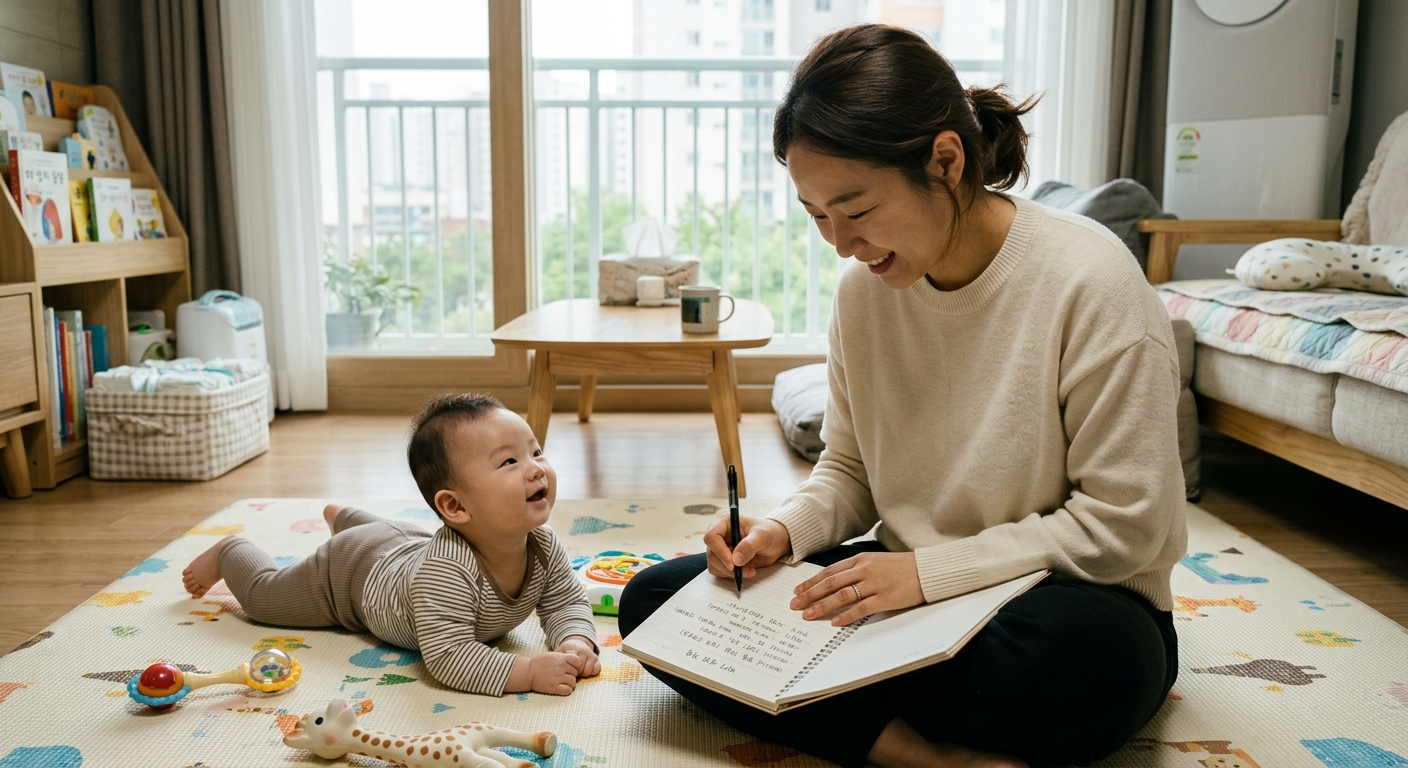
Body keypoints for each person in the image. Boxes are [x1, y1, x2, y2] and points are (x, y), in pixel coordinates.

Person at [620, 23, 1186, 768]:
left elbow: (1126, 527)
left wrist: (926, 577)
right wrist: (784, 534)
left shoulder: (1092, 281)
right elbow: (850, 473)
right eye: (817, 216)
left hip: (1065, 598)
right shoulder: (863, 297)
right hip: (899, 591)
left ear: (946, 160)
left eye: (855, 210)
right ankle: (912, 753)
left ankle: (846, 708)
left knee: (1089, 666)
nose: (840, 243)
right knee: (658, 604)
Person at [181, 393, 601, 697]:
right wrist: (527, 671)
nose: (535, 470)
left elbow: (565, 602)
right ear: (454, 506)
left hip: (401, 545)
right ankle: (230, 551)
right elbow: (450, 656)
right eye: (510, 461)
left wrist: (575, 641)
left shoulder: (542, 545)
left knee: (389, 537)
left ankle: (344, 518)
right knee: (263, 600)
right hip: (348, 577)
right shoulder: (447, 572)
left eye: (536, 452)